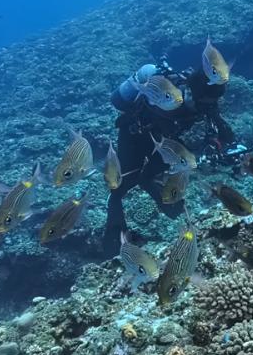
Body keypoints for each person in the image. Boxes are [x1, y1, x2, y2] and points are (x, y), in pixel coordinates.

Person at [101, 62, 236, 256]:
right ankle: (114, 241)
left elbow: (216, 122)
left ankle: (169, 207)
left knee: (149, 176)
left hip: (163, 143)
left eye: (214, 101)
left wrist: (222, 139)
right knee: (121, 185)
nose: (211, 105)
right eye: (208, 101)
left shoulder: (205, 98)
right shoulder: (173, 99)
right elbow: (168, 127)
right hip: (135, 136)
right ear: (196, 93)